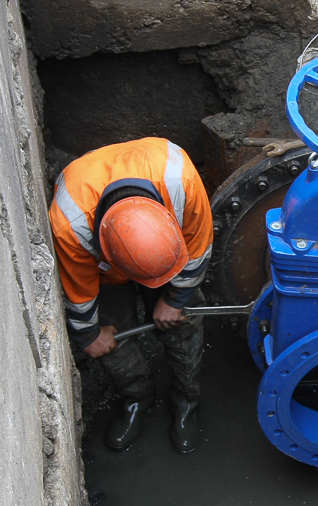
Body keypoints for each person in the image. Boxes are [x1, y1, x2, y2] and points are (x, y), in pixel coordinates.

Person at [49, 137, 213, 452]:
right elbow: (79, 290)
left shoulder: (182, 182)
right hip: (105, 272)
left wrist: (174, 299)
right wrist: (88, 336)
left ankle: (186, 399)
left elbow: (199, 248)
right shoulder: (70, 224)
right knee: (111, 329)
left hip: (169, 260)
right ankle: (137, 396)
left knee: (185, 319)